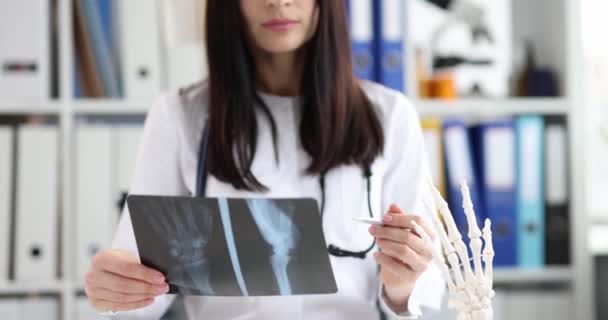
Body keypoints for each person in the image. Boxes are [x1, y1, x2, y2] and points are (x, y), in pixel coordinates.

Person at [84, 0, 445, 319]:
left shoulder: (390, 115)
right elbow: (140, 285)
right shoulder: (179, 116)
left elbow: (423, 295)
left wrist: (403, 283)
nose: (278, 2)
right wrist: (118, 287)